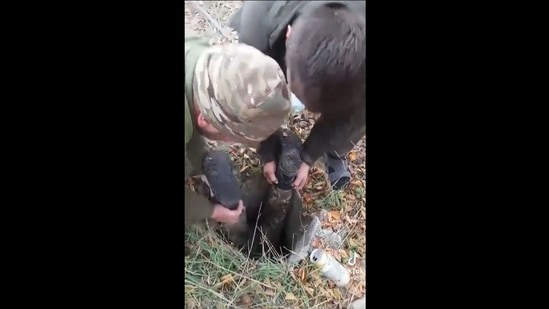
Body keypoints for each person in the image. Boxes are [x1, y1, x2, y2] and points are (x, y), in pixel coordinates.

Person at [229, 1, 366, 191]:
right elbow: (249, 92)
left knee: (353, 121)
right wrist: (266, 147)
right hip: (272, 28)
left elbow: (352, 116)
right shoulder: (260, 22)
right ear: (288, 34)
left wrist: (309, 156)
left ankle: (335, 151)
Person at [184, 33, 292, 230]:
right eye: (236, 137)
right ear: (205, 120)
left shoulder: (206, 60)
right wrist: (212, 211)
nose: (239, 142)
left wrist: (267, 154)